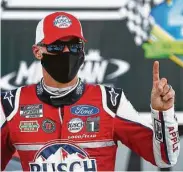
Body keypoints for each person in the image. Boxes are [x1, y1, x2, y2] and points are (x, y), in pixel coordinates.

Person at [1, 11, 180, 172]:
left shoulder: (110, 101)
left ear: (83, 50)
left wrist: (163, 113)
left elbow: (164, 158)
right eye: (56, 46)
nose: (66, 52)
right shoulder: (11, 105)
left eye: (74, 46)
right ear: (37, 51)